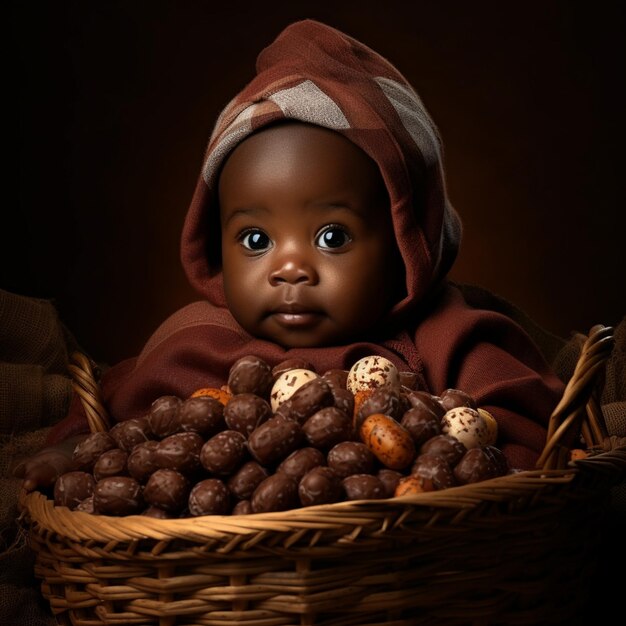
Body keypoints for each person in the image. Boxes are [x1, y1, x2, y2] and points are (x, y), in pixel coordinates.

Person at [15, 18, 566, 492]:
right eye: (256, 241)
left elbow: (520, 431)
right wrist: (71, 454)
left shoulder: (450, 337)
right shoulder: (197, 343)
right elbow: (118, 422)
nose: (290, 268)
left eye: (333, 237)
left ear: (407, 246)